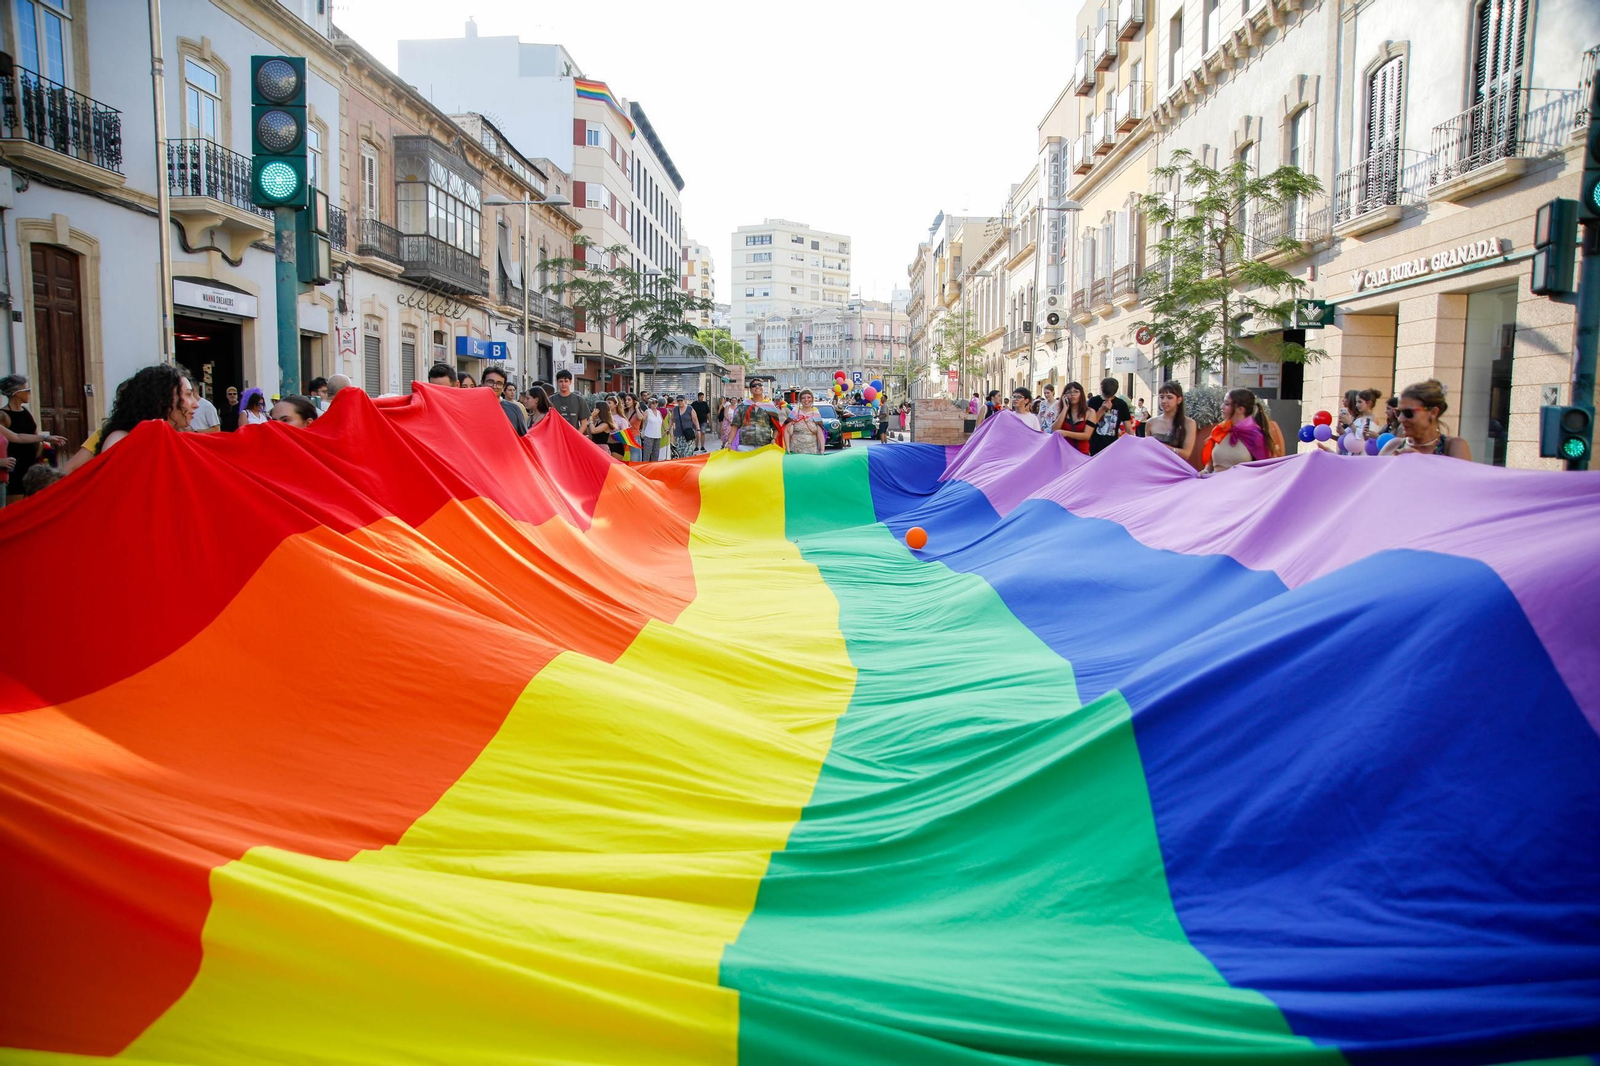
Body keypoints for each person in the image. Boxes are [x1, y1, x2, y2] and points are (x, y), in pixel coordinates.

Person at [96, 364, 199, 454]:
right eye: (188, 394)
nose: (196, 404)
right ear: (162, 399)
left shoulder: (181, 439)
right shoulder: (120, 439)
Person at [0, 375, 66, 489]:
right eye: (27, 390)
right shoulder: (3, 415)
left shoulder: (25, 411)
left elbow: (33, 433)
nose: (29, 393)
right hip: (15, 465)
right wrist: (45, 438)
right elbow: (16, 437)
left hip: (31, 464)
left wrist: (42, 451)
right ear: (18, 393)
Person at [1380, 378, 1472, 459]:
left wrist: (1422, 462)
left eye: (1408, 413)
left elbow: (1462, 478)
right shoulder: (1393, 446)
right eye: (1398, 412)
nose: (1400, 419)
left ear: (1433, 412)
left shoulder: (1454, 446)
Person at [1202, 388, 1273, 473]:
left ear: (1240, 409)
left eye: (1227, 404)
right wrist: (1206, 470)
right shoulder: (1221, 430)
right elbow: (1212, 461)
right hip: (1216, 483)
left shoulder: (1255, 435)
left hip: (1242, 484)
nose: (1222, 407)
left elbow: (1265, 468)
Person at [1146, 381, 1197, 460]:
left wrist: (1161, 447)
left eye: (1169, 397)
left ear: (1179, 400)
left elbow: (1186, 454)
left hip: (1175, 468)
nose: (1164, 401)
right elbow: (1146, 450)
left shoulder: (1189, 423)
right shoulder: (1150, 422)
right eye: (1162, 397)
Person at [479, 365, 530, 436]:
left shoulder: (514, 409)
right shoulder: (473, 408)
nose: (494, 386)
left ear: (503, 387)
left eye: (499, 383)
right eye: (490, 382)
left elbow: (523, 438)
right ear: (482, 383)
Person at [1086, 377, 1130, 455]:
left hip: (1112, 446)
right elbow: (1090, 424)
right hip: (1094, 446)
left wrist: (1128, 446)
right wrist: (1102, 409)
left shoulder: (1121, 404)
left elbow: (1129, 429)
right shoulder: (1093, 401)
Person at [1052, 381, 1093, 454]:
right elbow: (1055, 429)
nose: (1072, 394)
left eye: (1076, 392)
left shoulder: (1090, 412)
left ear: (1081, 394)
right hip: (1063, 452)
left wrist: (1066, 433)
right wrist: (1065, 409)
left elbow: (1087, 435)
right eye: (1069, 392)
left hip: (1081, 453)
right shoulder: (1061, 410)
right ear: (1065, 395)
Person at [786, 389, 826, 455]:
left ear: (812, 399)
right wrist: (787, 448)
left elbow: (820, 434)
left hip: (812, 451)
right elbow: (786, 430)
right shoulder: (795, 411)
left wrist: (822, 449)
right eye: (803, 398)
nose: (806, 400)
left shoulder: (815, 412)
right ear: (800, 400)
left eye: (808, 397)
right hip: (795, 451)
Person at [639, 395, 665, 461]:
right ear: (650, 404)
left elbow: (662, 421)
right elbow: (642, 419)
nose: (655, 404)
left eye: (656, 403)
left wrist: (665, 429)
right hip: (649, 435)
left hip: (658, 435)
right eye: (653, 403)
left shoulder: (659, 412)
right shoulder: (647, 412)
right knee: (647, 454)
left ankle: (654, 467)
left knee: (656, 454)